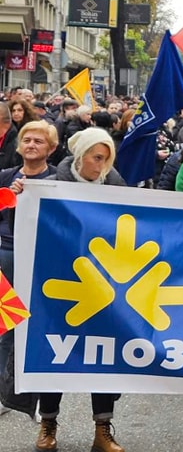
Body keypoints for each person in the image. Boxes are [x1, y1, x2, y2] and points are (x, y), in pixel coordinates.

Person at [40, 127, 126, 452]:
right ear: (81, 157)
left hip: (103, 286)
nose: (101, 166)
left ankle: (102, 429)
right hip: (61, 284)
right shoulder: (51, 186)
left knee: (102, 356)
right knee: (55, 353)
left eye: (107, 159)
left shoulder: (116, 186)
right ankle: (48, 423)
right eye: (97, 158)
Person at [0, 122, 59, 383]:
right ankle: (3, 386)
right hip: (8, 254)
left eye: (39, 141)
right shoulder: (5, 176)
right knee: (8, 324)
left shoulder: (59, 180)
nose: (31, 145)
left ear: (52, 148)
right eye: (27, 140)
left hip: (43, 259)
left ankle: (34, 389)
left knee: (39, 323)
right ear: (19, 146)